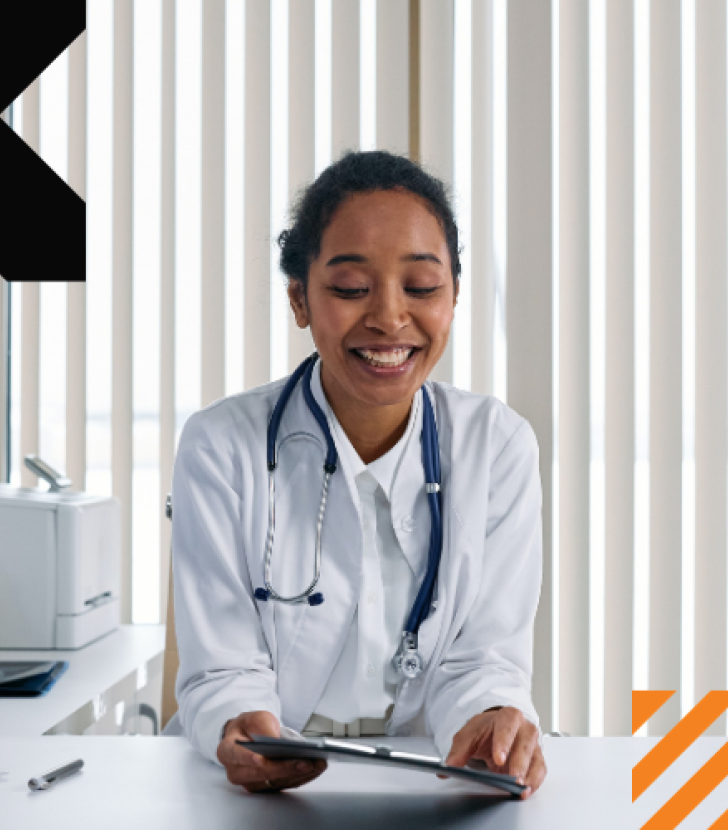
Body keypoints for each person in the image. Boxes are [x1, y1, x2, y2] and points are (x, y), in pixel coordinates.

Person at [169, 150, 548, 796]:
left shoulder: (497, 446)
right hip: (256, 796)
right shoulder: (220, 446)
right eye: (349, 289)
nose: (389, 317)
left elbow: (484, 658)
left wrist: (491, 720)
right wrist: (243, 727)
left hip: (430, 782)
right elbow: (222, 667)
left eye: (422, 287)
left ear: (453, 297)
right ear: (300, 299)